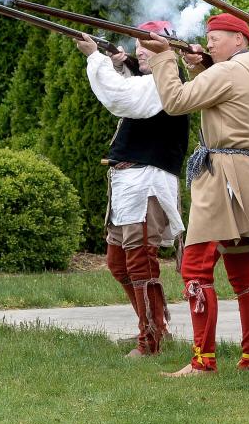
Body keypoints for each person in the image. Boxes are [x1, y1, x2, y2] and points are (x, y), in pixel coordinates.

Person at [144, 12, 249, 377]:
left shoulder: (228, 71)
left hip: (223, 175)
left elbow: (175, 102)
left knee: (195, 268)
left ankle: (203, 361)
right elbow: (219, 101)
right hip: (247, 172)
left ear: (239, 39)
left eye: (216, 37)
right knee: (244, 273)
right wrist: (198, 68)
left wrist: (163, 58)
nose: (209, 44)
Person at [77, 22, 188, 357]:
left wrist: (96, 59)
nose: (141, 53)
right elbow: (132, 90)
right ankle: (155, 326)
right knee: (118, 263)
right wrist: (116, 62)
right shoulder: (149, 81)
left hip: (147, 181)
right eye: (139, 48)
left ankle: (150, 338)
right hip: (130, 182)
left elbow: (124, 97)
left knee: (140, 261)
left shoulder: (165, 81)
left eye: (148, 48)